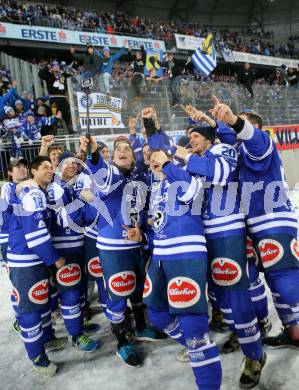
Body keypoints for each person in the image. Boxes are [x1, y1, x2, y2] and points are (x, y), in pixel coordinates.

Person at [128, 149, 222, 390]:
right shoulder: (156, 188)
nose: (154, 160)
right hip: (160, 256)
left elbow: (192, 193)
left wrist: (168, 163)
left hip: (186, 254)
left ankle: (204, 368)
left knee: (194, 330)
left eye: (158, 155)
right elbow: (160, 224)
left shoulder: (185, 176)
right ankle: (197, 346)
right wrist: (143, 235)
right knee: (157, 314)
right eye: (151, 158)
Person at [210, 99, 299, 350]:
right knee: (276, 284)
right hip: (257, 224)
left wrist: (234, 121)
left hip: (273, 221)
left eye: (243, 123)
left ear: (255, 126)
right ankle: (294, 333)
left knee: (287, 283)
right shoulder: (240, 151)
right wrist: (212, 121)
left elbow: (252, 139)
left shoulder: (260, 143)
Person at [79, 135, 163, 367]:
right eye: (118, 150)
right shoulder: (111, 176)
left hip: (137, 245)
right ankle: (122, 341)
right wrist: (94, 152)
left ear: (133, 158)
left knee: (137, 291)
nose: (122, 151)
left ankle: (141, 327)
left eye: (127, 149)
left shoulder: (137, 180)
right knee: (118, 294)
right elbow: (101, 172)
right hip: (114, 248)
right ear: (114, 157)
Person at [7, 156, 67, 376]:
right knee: (30, 309)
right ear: (33, 172)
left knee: (41, 304)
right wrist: (54, 259)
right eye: (44, 168)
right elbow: (35, 235)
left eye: (51, 168)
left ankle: (47, 338)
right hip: (26, 260)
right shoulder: (33, 193)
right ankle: (37, 357)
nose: (50, 171)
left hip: (35, 259)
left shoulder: (38, 192)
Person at [38, 61, 71, 130]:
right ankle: (54, 130)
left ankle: (70, 129)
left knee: (67, 114)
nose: (56, 67)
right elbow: (40, 74)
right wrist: (47, 67)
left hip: (63, 98)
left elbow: (72, 75)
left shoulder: (63, 75)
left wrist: (64, 70)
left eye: (57, 66)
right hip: (54, 98)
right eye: (54, 66)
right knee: (54, 114)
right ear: (52, 68)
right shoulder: (49, 75)